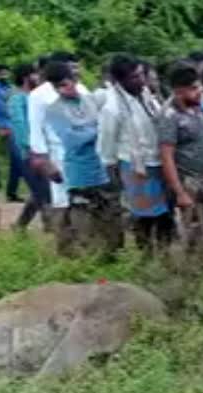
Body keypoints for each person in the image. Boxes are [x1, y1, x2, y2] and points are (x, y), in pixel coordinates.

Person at [42, 62, 123, 257]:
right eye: (58, 86)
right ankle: (90, 258)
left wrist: (90, 130)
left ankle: (112, 255)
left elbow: (108, 122)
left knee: (110, 215)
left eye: (66, 83)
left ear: (74, 80)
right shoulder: (54, 109)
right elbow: (71, 140)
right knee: (85, 220)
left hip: (102, 166)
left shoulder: (90, 100)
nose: (64, 89)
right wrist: (98, 130)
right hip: (79, 171)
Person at [98, 53, 172, 252]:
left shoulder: (147, 96)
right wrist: (113, 173)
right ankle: (146, 255)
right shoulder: (112, 108)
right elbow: (107, 145)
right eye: (135, 77)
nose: (141, 80)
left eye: (141, 75)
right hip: (135, 166)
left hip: (157, 161)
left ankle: (164, 255)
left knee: (164, 213)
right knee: (144, 215)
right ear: (120, 81)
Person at [157, 65, 203, 251]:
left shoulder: (199, 110)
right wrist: (180, 192)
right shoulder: (169, 116)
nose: (199, 91)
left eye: (199, 87)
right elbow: (166, 156)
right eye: (193, 88)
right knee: (192, 235)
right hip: (188, 184)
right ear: (179, 91)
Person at [29, 51, 90, 217]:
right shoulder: (39, 95)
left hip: (86, 154)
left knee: (87, 200)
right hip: (59, 155)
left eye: (77, 67)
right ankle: (65, 239)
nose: (76, 71)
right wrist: (46, 163)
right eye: (71, 68)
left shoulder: (82, 89)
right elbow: (36, 131)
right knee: (64, 203)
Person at [10, 63, 51, 231]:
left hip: (43, 150)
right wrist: (33, 149)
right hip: (31, 153)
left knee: (39, 191)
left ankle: (19, 226)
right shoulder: (17, 99)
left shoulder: (36, 96)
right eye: (35, 74)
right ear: (27, 77)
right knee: (45, 193)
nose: (39, 77)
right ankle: (52, 229)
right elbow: (20, 128)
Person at [0, 63, 23, 202]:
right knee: (19, 159)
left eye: (6, 73)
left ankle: (11, 192)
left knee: (15, 161)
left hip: (18, 125)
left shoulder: (11, 87)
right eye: (0, 73)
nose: (4, 75)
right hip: (6, 126)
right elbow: (0, 109)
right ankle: (22, 189)